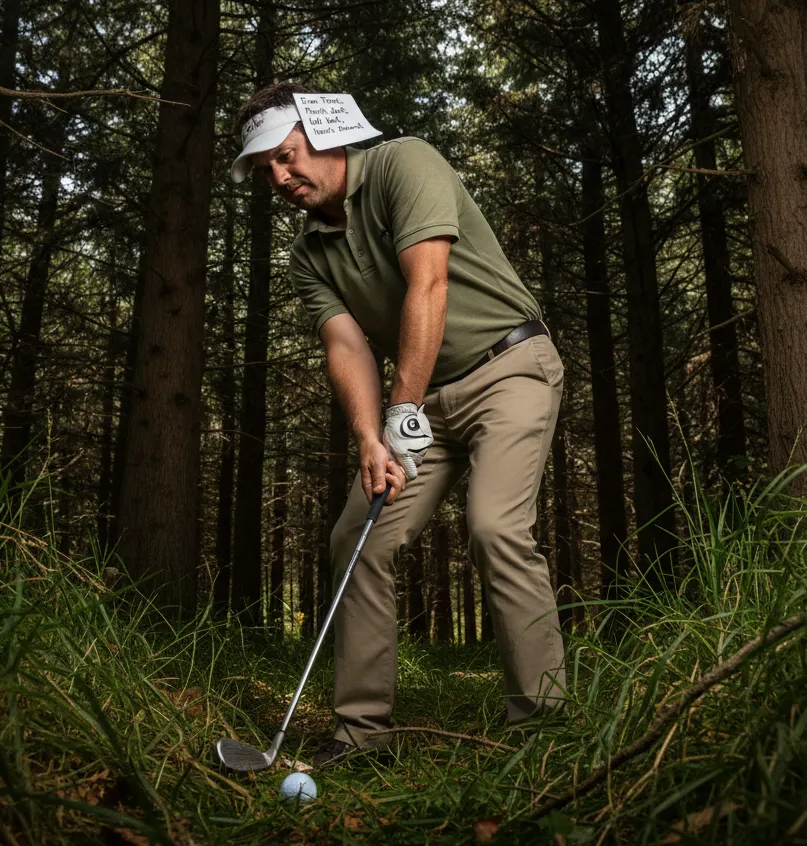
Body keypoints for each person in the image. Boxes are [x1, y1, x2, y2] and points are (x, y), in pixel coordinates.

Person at [231, 82, 566, 767]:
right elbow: (346, 345)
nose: (280, 177)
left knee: (495, 525)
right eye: (266, 171)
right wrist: (369, 436)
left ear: (322, 135)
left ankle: (545, 727)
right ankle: (360, 737)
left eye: (287, 157)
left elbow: (429, 284)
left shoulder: (402, 163)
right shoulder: (308, 255)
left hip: (509, 365)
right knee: (357, 534)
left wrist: (402, 409)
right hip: (423, 403)